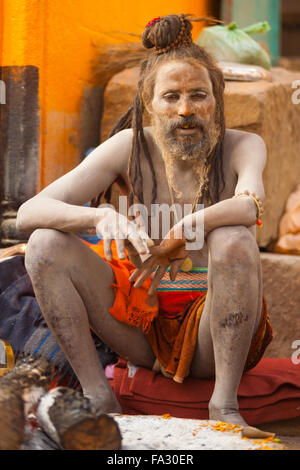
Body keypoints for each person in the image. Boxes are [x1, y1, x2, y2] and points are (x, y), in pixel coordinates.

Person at [16, 14, 272, 427]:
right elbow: (30, 213)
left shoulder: (244, 145)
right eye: (171, 97)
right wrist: (99, 216)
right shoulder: (128, 146)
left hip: (216, 334)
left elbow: (250, 206)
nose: (186, 110)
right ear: (149, 104)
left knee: (234, 239)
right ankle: (98, 397)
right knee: (45, 244)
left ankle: (224, 406)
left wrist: (188, 228)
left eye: (198, 95)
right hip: (143, 323)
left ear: (217, 100)